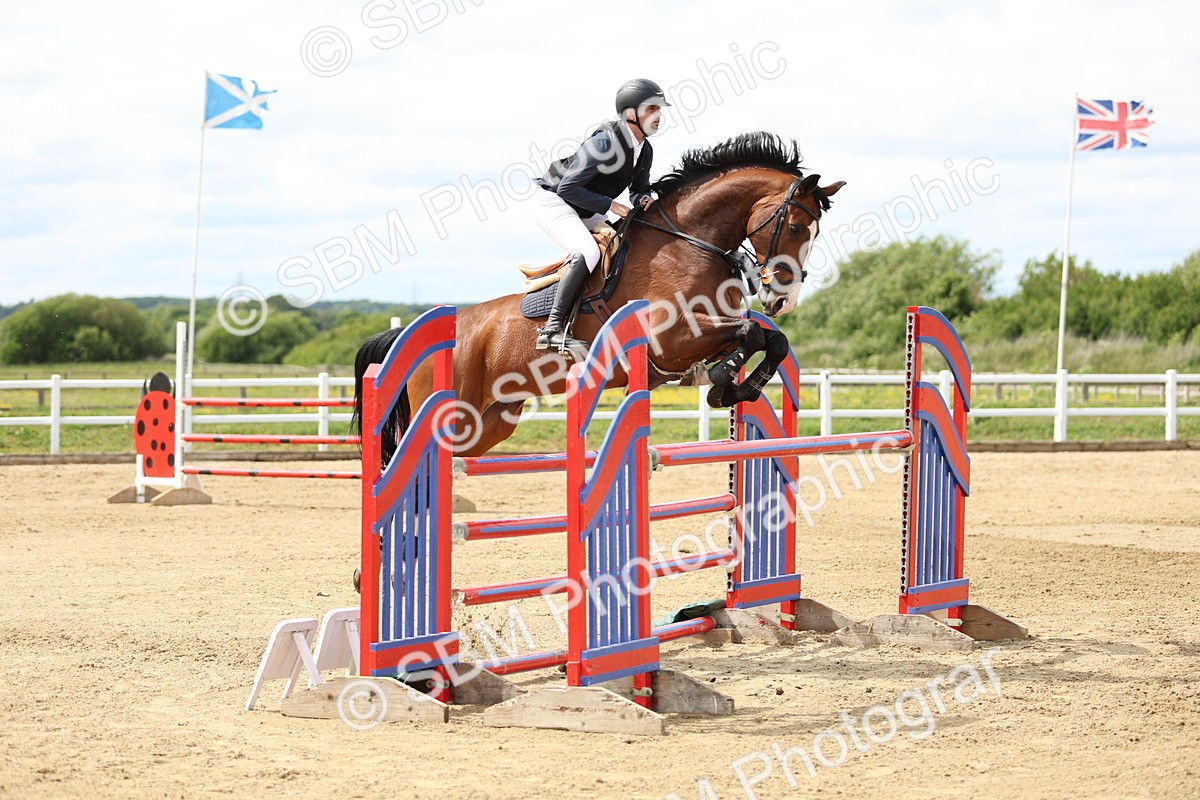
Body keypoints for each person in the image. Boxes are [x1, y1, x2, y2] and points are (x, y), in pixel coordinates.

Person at [531, 78, 671, 351]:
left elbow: (638, 190)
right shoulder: (606, 142)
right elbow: (568, 187)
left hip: (585, 206)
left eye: (659, 109)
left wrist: (644, 199)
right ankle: (551, 329)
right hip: (555, 200)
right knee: (589, 251)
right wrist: (611, 206)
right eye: (651, 108)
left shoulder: (644, 149)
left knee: (621, 245)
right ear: (631, 113)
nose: (658, 115)